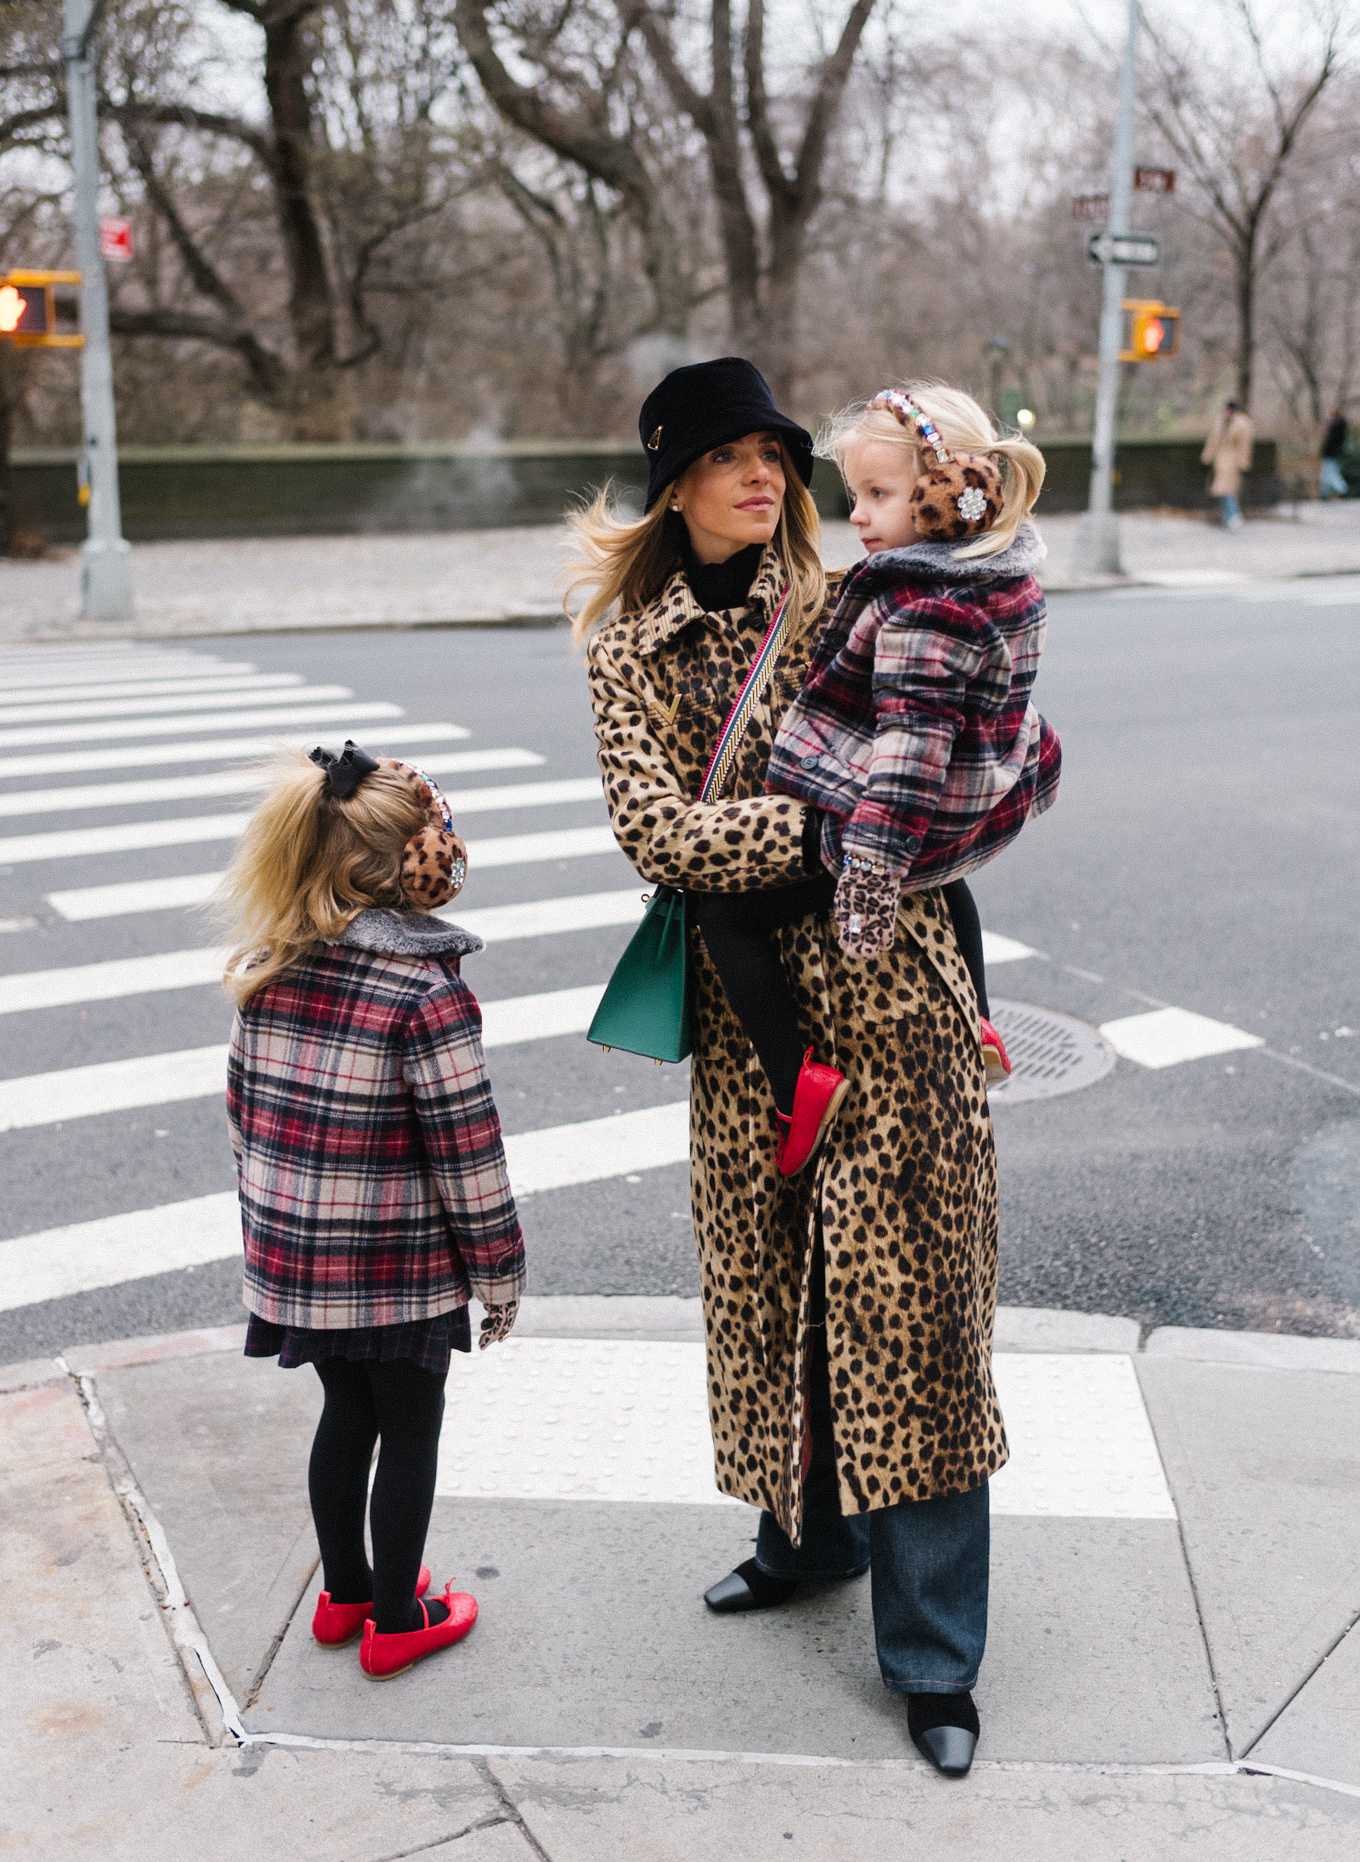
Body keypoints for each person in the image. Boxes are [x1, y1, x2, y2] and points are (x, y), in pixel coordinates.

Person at [566, 356, 1013, 1779]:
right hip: (756, 1027)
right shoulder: (624, 646)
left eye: (779, 452)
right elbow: (659, 838)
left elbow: (950, 779)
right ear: (674, 483)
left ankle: (937, 1659)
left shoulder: (856, 592)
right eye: (732, 457)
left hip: (898, 1003)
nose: (768, 476)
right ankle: (804, 1543)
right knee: (780, 1296)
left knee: (919, 1323)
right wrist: (829, 832)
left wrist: (862, 827)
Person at [219, 741, 525, 1683]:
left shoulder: (271, 969)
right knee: (411, 1426)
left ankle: (346, 1589)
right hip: (397, 1269)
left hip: (300, 1263)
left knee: (343, 1414)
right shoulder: (424, 992)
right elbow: (468, 1153)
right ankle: (398, 1616)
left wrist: (274, 1243)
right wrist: (501, 1275)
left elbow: (245, 1117)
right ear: (411, 865)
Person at [698, 382, 1061, 1178]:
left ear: (944, 497)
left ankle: (798, 1080)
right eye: (853, 494)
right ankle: (985, 1024)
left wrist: (868, 871)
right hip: (971, 809)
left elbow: (908, 753)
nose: (856, 514)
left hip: (897, 829)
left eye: (878, 494)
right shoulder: (1002, 574)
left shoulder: (921, 607)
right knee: (950, 881)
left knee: (723, 914)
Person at [1202, 399, 1254, 530]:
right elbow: (1213, 440)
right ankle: (1229, 516)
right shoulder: (1221, 422)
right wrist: (1207, 455)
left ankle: (1233, 515)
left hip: (1232, 460)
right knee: (1221, 489)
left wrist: (1243, 461)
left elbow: (1244, 445)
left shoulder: (1241, 423)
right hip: (1220, 459)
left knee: (1227, 489)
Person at [1319, 409, 1349, 498]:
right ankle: (1325, 492)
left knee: (1330, 472)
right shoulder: (1339, 426)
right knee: (1327, 473)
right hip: (1333, 453)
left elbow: (1329, 440)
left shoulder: (1335, 426)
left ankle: (1342, 489)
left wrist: (1328, 425)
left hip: (1330, 454)